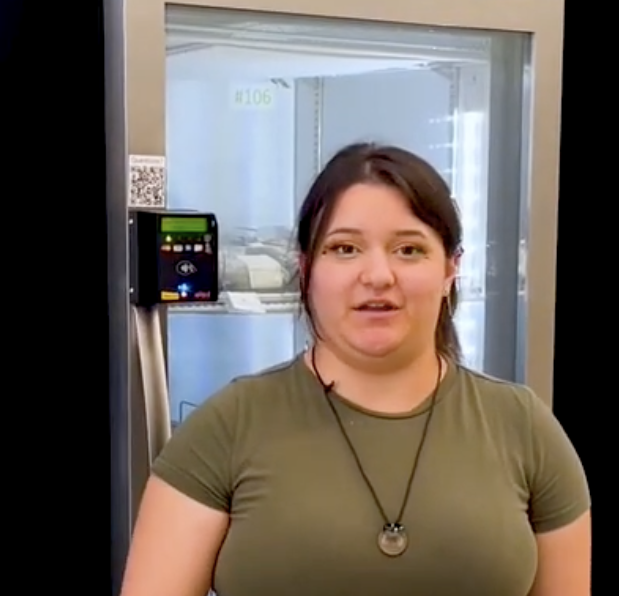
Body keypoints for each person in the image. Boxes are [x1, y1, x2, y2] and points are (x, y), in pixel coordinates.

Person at [119, 143, 591, 596]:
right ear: (305, 269)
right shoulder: (226, 429)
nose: (378, 275)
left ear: (451, 269)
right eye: (344, 249)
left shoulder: (523, 427)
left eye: (409, 250)